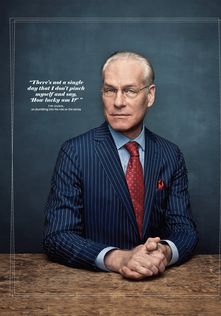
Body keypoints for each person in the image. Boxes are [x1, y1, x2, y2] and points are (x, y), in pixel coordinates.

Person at [43, 51, 198, 280]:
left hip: (159, 285)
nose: (117, 102)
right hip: (92, 288)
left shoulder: (170, 154)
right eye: (109, 90)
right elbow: (58, 236)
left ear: (150, 95)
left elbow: (184, 229)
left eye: (129, 90)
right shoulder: (75, 152)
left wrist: (162, 253)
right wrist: (119, 258)